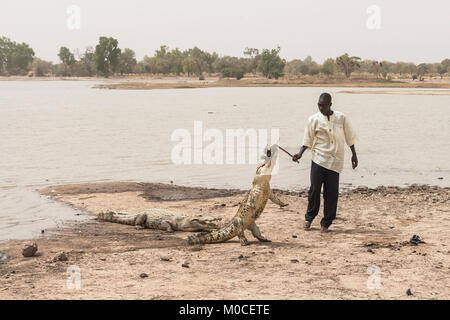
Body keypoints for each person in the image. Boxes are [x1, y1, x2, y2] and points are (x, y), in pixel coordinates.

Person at [292, 93, 358, 233]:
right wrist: (299, 154)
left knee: (331, 193)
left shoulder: (341, 118)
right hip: (319, 159)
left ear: (330, 105)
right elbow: (307, 140)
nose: (321, 108)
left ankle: (326, 223)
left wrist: (354, 155)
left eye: (324, 105)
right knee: (314, 190)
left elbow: (349, 137)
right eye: (319, 105)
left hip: (335, 161)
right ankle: (309, 218)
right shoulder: (313, 119)